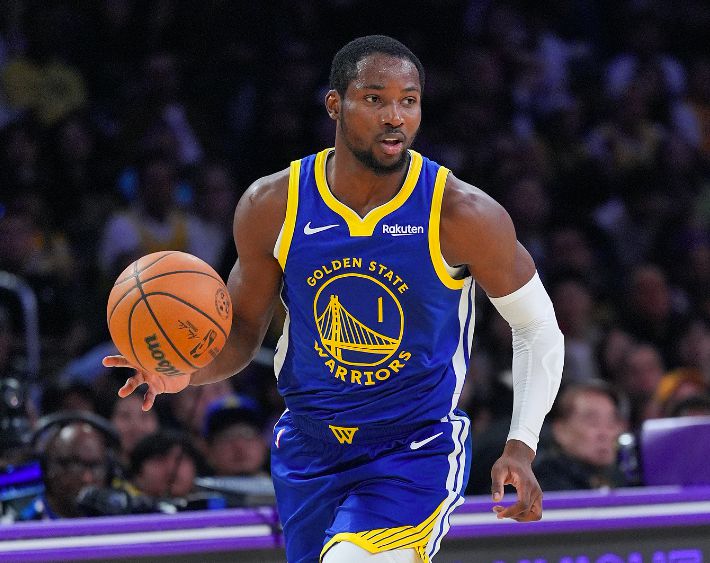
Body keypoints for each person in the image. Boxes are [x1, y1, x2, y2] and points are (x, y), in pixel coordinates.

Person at [104, 35, 564, 563]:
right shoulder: (273, 204)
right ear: (334, 105)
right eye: (374, 99)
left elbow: (537, 327)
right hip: (308, 446)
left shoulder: (461, 214)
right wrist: (185, 370)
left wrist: (521, 444)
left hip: (412, 449)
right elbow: (242, 331)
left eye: (409, 101)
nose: (394, 117)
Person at [532, 380, 628, 492]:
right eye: (593, 422)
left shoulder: (622, 479)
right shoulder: (543, 484)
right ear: (561, 431)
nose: (605, 434)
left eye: (611, 423)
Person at [203, 393, 269, 477]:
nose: (239, 445)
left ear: (263, 443)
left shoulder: (283, 484)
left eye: (247, 434)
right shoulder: (194, 485)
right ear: (209, 451)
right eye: (226, 437)